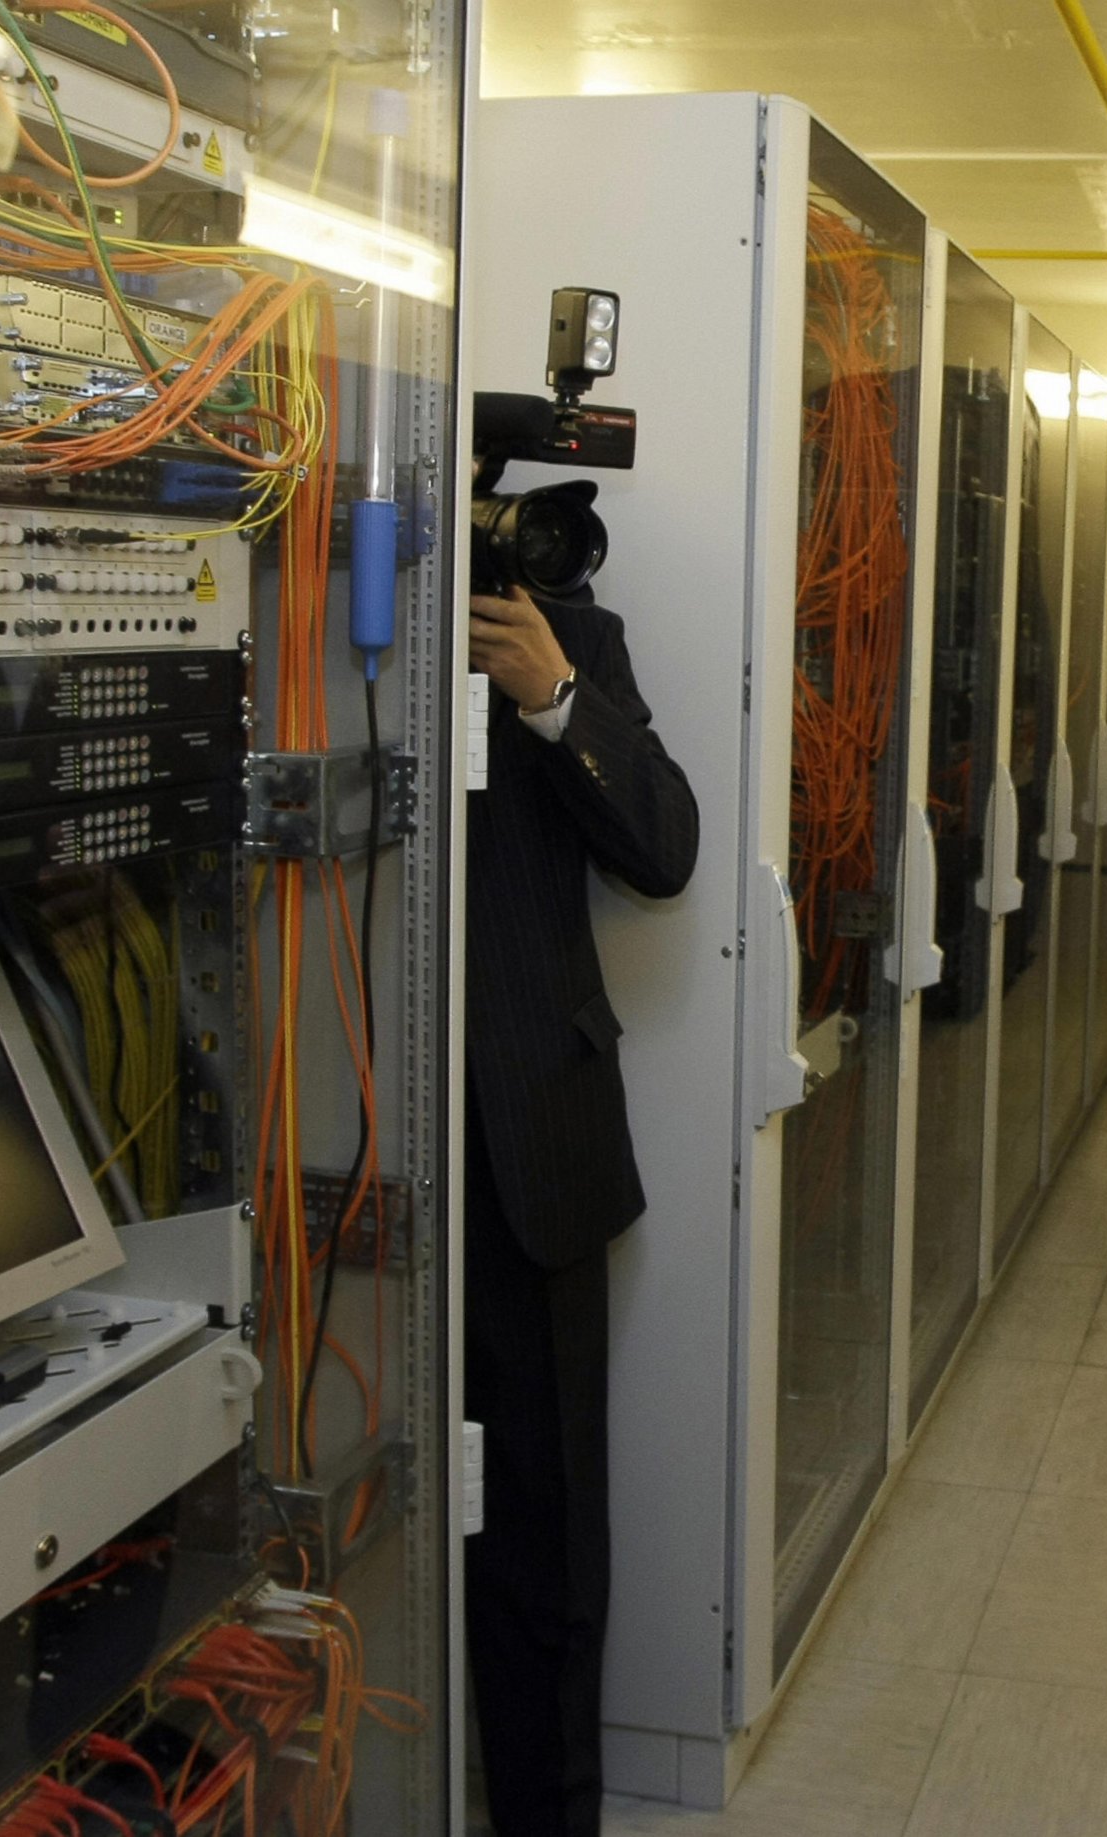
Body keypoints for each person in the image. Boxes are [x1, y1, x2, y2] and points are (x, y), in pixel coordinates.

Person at [463, 564, 698, 1836]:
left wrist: (552, 694)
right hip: (342, 1158)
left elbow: (666, 846)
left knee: (543, 1557)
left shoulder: (569, 636)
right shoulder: (292, 615)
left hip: (529, 1157)